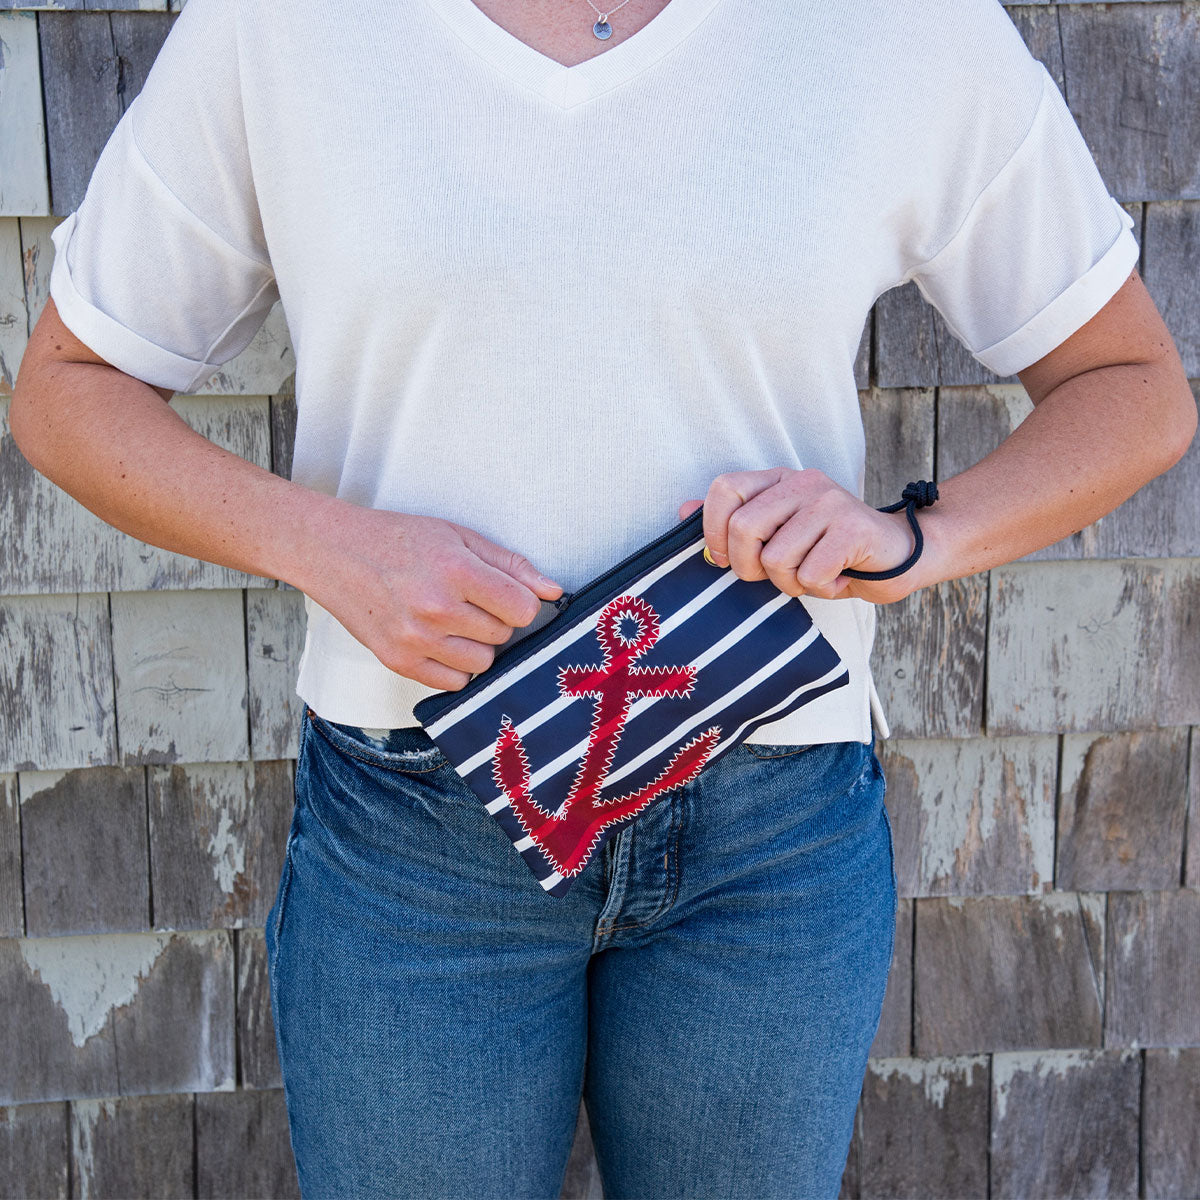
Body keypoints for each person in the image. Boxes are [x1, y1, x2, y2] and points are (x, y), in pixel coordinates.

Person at [11, 0, 1195, 1196]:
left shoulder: (897, 27)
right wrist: (330, 547)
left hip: (765, 828)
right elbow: (70, 385)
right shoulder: (283, 27)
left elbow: (1133, 385)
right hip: (421, 826)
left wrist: (908, 539)